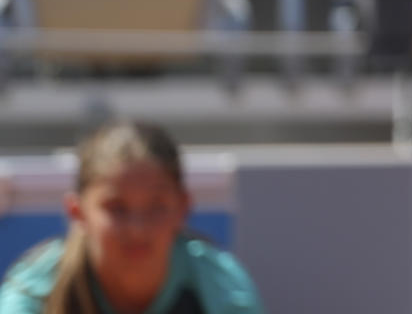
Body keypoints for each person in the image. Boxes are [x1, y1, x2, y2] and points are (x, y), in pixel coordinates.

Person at [0, 119, 264, 314]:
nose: (137, 228)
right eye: (116, 208)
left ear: (183, 208)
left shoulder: (224, 289)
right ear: (77, 212)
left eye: (156, 206)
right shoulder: (30, 294)